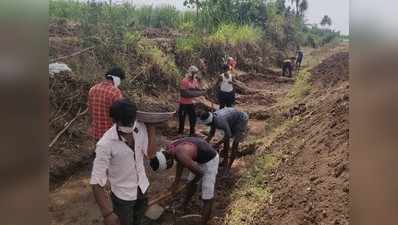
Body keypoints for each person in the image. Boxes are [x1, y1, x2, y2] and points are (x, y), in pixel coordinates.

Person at [90, 99, 158, 225]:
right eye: (125, 122)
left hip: (142, 188)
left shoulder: (140, 127)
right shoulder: (105, 144)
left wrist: (151, 129)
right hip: (123, 196)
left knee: (139, 219)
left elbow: (151, 154)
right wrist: (107, 214)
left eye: (131, 120)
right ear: (114, 120)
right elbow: (96, 181)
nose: (130, 125)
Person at [151, 137, 219, 225]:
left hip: (210, 160)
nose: (169, 168)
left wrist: (194, 182)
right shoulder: (170, 148)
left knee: (207, 196)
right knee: (190, 183)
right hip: (199, 156)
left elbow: (200, 173)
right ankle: (184, 205)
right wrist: (176, 181)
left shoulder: (180, 154)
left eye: (167, 166)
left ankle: (203, 222)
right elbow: (180, 162)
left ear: (167, 160)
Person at [198, 108, 248, 174]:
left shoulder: (220, 122)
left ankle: (228, 168)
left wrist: (218, 144)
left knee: (235, 144)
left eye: (207, 124)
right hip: (231, 119)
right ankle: (225, 162)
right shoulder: (213, 118)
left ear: (209, 122)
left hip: (241, 119)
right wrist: (203, 143)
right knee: (225, 143)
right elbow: (211, 133)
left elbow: (228, 136)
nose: (207, 126)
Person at [88, 66, 125, 141]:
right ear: (117, 79)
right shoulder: (115, 92)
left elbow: (90, 111)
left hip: (96, 132)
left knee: (99, 150)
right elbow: (121, 115)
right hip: (110, 134)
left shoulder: (93, 89)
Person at [178, 65, 204, 136]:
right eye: (193, 73)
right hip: (183, 103)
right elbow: (184, 94)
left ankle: (192, 132)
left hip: (191, 103)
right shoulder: (184, 81)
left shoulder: (195, 80)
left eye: (195, 73)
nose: (194, 74)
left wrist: (201, 90)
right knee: (182, 118)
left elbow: (194, 88)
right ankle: (180, 132)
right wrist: (197, 94)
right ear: (190, 73)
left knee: (193, 118)